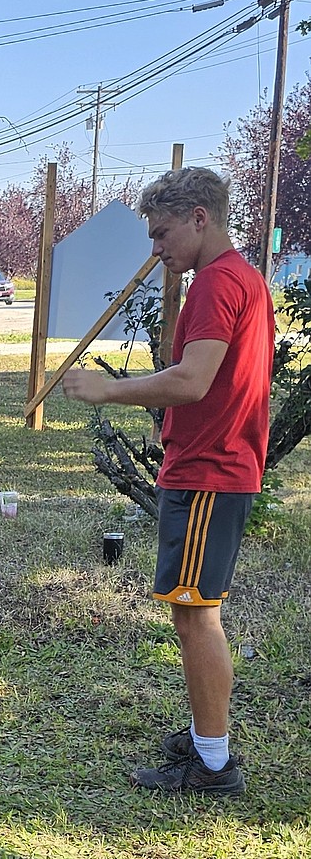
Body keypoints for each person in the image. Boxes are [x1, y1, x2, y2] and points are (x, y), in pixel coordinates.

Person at [62, 166, 273, 798]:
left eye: (161, 234)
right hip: (213, 462)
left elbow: (191, 379)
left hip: (211, 471)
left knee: (195, 614)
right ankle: (207, 736)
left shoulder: (215, 283)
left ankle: (214, 765)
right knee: (194, 612)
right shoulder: (239, 279)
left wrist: (108, 389)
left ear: (199, 219)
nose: (156, 249)